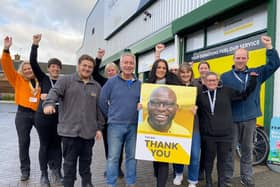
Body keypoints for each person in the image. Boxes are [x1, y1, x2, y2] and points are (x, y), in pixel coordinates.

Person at [221, 35, 280, 186]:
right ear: (233, 59)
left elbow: (274, 65)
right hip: (232, 120)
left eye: (243, 58)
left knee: (247, 150)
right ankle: (226, 179)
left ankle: (246, 178)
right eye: (237, 58)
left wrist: (269, 47)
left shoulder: (256, 73)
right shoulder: (225, 77)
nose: (240, 60)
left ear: (247, 59)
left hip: (249, 118)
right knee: (229, 151)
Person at [43, 54, 104, 187]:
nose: (87, 69)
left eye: (90, 67)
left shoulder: (97, 86)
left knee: (86, 164)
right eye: (84, 65)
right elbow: (54, 92)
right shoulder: (66, 81)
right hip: (69, 133)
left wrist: (99, 128)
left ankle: (87, 184)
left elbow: (99, 110)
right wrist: (49, 104)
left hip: (88, 133)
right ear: (78, 66)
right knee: (69, 165)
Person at [197, 71, 257, 187]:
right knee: (208, 160)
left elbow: (244, 95)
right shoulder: (200, 95)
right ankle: (208, 182)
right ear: (204, 82)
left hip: (225, 135)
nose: (212, 82)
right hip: (208, 135)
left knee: (223, 161)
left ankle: (221, 182)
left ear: (218, 81)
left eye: (214, 80)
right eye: (209, 80)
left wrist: (253, 81)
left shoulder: (227, 91)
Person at [1, 36, 41, 181]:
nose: (28, 70)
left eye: (30, 67)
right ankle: (25, 170)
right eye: (25, 68)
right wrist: (6, 49)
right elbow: (6, 66)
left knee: (46, 140)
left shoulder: (39, 79)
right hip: (23, 114)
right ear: (22, 71)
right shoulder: (17, 79)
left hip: (38, 114)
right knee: (24, 143)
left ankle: (50, 166)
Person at [99, 52, 141, 187]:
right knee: (113, 158)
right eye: (126, 63)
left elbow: (145, 102)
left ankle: (131, 182)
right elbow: (102, 101)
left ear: (134, 65)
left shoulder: (139, 84)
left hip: (134, 126)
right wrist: (110, 115)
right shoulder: (111, 82)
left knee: (132, 157)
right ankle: (111, 183)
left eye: (131, 63)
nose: (128, 65)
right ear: (121, 65)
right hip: (115, 126)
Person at [146, 48, 183, 187]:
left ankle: (160, 184)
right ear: (155, 68)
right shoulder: (148, 83)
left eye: (164, 67)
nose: (161, 69)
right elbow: (143, 101)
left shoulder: (173, 81)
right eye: (159, 67)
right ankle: (158, 176)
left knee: (164, 158)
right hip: (152, 127)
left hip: (168, 125)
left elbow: (182, 96)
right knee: (156, 159)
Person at [29, 34, 63, 186]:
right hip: (42, 118)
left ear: (60, 69)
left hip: (59, 119)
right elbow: (33, 62)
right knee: (44, 145)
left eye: (57, 67)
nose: (55, 69)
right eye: (53, 67)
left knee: (57, 145)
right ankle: (44, 175)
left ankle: (57, 170)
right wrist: (35, 45)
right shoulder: (43, 78)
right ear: (49, 69)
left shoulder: (64, 81)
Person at [92, 49, 125, 178]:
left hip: (120, 120)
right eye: (108, 70)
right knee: (108, 145)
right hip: (107, 120)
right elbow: (94, 72)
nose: (111, 72)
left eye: (113, 70)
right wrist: (99, 57)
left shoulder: (123, 82)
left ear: (117, 71)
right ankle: (110, 167)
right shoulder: (103, 82)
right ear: (106, 73)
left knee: (120, 146)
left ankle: (118, 168)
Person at [172, 63, 201, 187]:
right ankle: (178, 173)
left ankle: (192, 180)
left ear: (191, 73)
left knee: (194, 154)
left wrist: (197, 107)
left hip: (193, 125)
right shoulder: (174, 87)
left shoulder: (197, 86)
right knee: (178, 152)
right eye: (182, 72)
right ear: (179, 74)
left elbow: (203, 103)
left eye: (187, 72)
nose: (185, 74)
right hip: (178, 124)